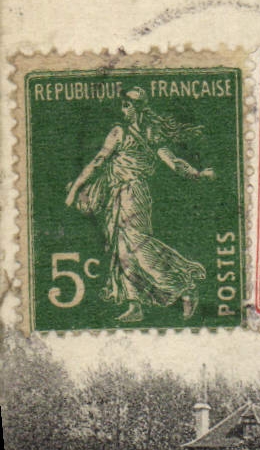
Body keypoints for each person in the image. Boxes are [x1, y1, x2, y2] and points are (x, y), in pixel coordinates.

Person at [65, 88, 213, 322]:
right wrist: (196, 173)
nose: (123, 109)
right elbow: (101, 162)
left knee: (136, 246)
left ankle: (184, 285)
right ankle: (135, 304)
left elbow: (171, 162)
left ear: (137, 107)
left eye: (127, 104)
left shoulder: (127, 132)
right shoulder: (137, 132)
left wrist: (197, 174)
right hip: (117, 195)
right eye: (123, 104)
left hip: (133, 194)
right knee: (121, 251)